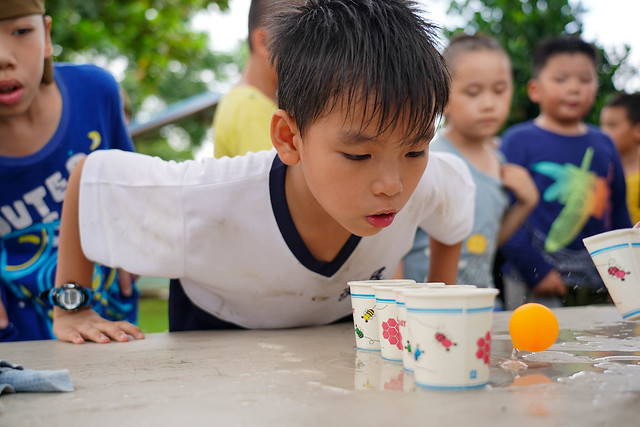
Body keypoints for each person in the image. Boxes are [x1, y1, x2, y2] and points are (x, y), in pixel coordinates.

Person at [51, 0, 476, 344]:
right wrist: (73, 307)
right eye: (358, 156)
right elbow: (92, 176)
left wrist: (437, 300)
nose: (393, 185)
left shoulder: (431, 179)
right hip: (218, 335)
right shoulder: (206, 198)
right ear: (289, 138)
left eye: (416, 150)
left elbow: (452, 207)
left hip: (333, 332)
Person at [0, 0, 139, 341]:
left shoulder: (97, 91)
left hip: (110, 313)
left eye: (21, 31)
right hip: (19, 333)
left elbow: (132, 189)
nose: (4, 56)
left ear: (46, 35)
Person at [499, 35, 631, 308]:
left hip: (601, 281)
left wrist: (623, 270)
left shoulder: (604, 143)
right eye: (561, 80)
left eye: (584, 80)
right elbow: (504, 214)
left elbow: (618, 210)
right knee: (535, 348)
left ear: (596, 85)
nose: (574, 88)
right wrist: (537, 269)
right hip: (533, 281)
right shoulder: (517, 140)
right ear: (535, 89)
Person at [401, 34, 538, 292]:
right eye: (473, 92)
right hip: (422, 306)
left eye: (499, 90)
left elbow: (488, 241)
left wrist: (525, 204)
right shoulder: (428, 158)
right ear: (444, 97)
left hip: (478, 299)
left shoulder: (500, 162)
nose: (489, 104)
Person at [212, 0, 278, 158]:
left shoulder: (242, 100)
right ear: (264, 42)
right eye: (297, 41)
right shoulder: (251, 108)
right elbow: (272, 180)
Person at [600, 92, 640, 224]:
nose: (603, 133)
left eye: (612, 125)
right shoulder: (601, 173)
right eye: (602, 125)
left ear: (638, 130)